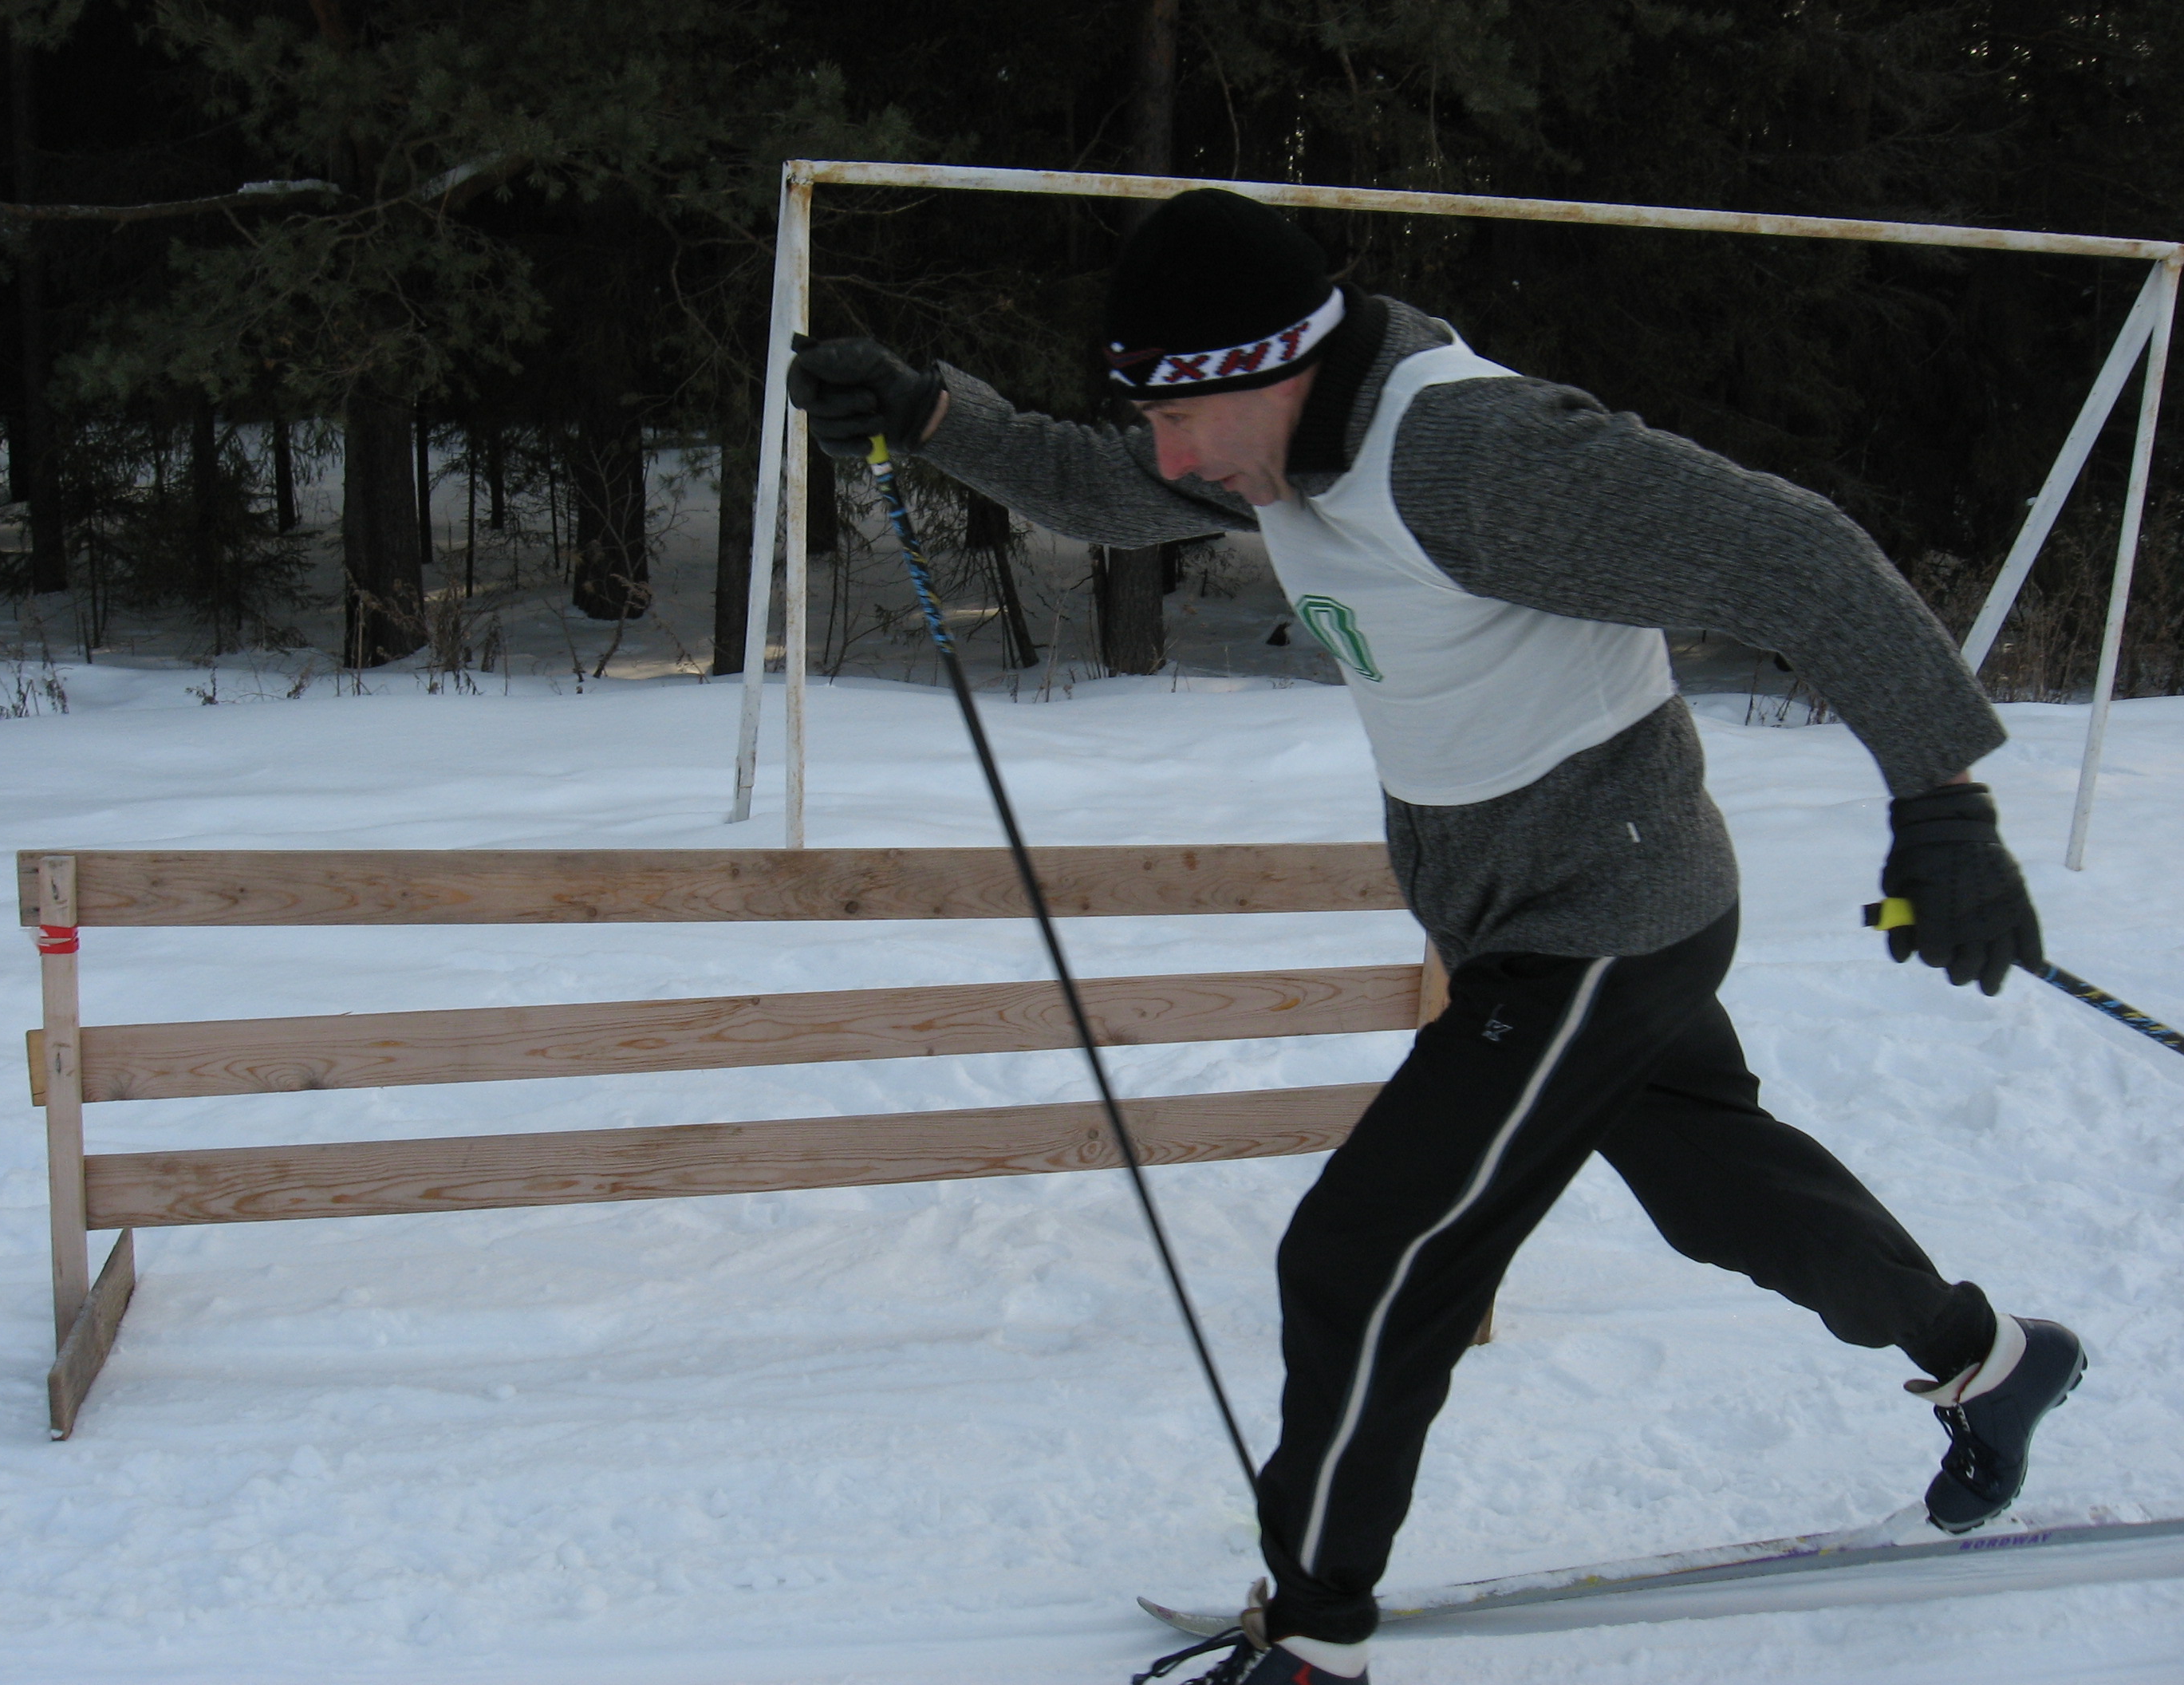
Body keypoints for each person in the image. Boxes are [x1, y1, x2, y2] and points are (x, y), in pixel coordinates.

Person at [787, 190, 2086, 1685]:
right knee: (1726, 1196)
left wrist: (1945, 808)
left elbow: (1796, 554)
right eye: (1152, 414)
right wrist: (938, 412)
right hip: (1522, 910)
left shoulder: (1474, 456)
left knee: (1366, 1248)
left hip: (1608, 914)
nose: (1173, 457)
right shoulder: (1273, 440)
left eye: (1190, 417)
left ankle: (1317, 1636)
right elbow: (1112, 482)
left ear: (1287, 360)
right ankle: (1993, 1363)